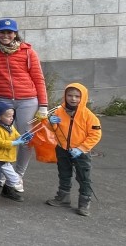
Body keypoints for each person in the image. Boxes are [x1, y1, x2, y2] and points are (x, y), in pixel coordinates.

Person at [0, 18, 48, 185]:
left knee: (25, 138)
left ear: (15, 34)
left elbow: (39, 79)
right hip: (4, 101)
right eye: (2, 32)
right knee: (3, 138)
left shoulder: (28, 52)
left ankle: (18, 173)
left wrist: (43, 105)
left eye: (9, 32)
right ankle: (7, 171)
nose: (5, 35)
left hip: (27, 100)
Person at [46, 83, 101, 216]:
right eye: (70, 95)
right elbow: (53, 130)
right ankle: (63, 197)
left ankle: (84, 202)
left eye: (77, 96)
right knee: (64, 173)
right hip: (62, 148)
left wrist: (81, 148)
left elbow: (95, 135)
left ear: (83, 97)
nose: (73, 99)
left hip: (81, 153)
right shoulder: (59, 111)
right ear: (65, 96)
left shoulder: (89, 116)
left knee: (84, 177)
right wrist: (51, 123)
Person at [0, 100, 30, 207]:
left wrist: (22, 137)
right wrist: (15, 142)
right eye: (8, 116)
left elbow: (16, 135)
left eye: (12, 116)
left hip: (5, 157)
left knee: (14, 179)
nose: (11, 118)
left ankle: (7, 191)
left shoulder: (9, 126)